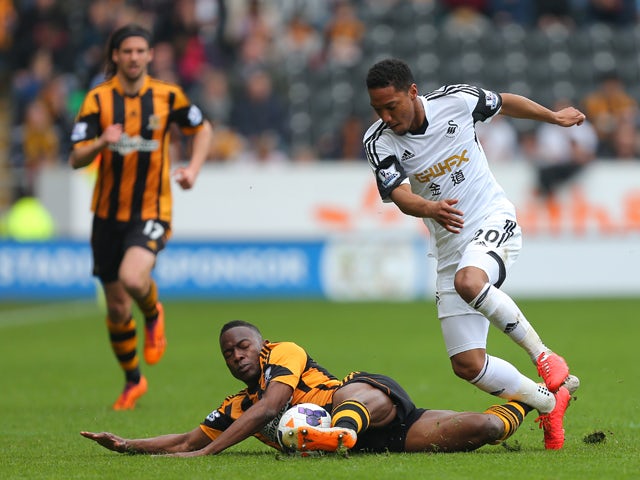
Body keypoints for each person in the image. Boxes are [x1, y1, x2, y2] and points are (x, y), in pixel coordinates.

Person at [362, 58, 584, 449]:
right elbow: (398, 194)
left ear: (412, 92)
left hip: (492, 219)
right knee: (467, 364)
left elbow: (505, 102)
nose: (386, 116)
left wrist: (553, 117)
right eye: (377, 109)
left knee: (470, 281)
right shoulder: (378, 141)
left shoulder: (456, 101)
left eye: (391, 106)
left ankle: (545, 356)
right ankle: (550, 401)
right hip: (449, 246)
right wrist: (428, 208)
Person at [81, 320, 578, 456]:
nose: (238, 356)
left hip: (369, 399)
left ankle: (337, 434)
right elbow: (189, 439)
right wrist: (128, 446)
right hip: (383, 440)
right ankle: (545, 398)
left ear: (261, 343)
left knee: (346, 401)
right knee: (488, 428)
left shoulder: (285, 353)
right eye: (229, 353)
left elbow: (273, 406)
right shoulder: (239, 404)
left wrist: (206, 459)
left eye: (243, 345)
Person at [68, 23, 213, 410]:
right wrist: (101, 142)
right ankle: (133, 381)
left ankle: (153, 312)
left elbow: (202, 129)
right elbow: (75, 157)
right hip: (106, 216)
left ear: (150, 56)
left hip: (152, 209)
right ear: (115, 56)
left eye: (140, 51)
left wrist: (193, 169)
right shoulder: (97, 100)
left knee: (134, 278)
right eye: (126, 51)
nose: (133, 57)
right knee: (116, 307)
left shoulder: (167, 96)